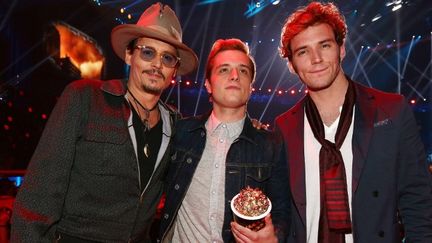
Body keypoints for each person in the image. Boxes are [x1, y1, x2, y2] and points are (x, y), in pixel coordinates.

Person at [10, 2, 198, 242]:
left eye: (168, 57)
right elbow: (37, 198)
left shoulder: (175, 123)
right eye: (148, 52)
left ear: (175, 70)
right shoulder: (84, 98)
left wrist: (251, 126)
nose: (157, 64)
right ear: (130, 55)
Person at [275, 2, 432, 242]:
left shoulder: (391, 110)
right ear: (291, 65)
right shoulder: (284, 126)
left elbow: (418, 202)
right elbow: (283, 208)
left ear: (341, 49)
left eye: (324, 45)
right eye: (303, 51)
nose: (316, 59)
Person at [158, 38, 290, 243]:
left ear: (251, 87)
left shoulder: (271, 144)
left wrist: (274, 238)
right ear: (208, 85)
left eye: (243, 71)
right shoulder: (181, 132)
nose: (235, 76)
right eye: (224, 70)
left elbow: (283, 211)